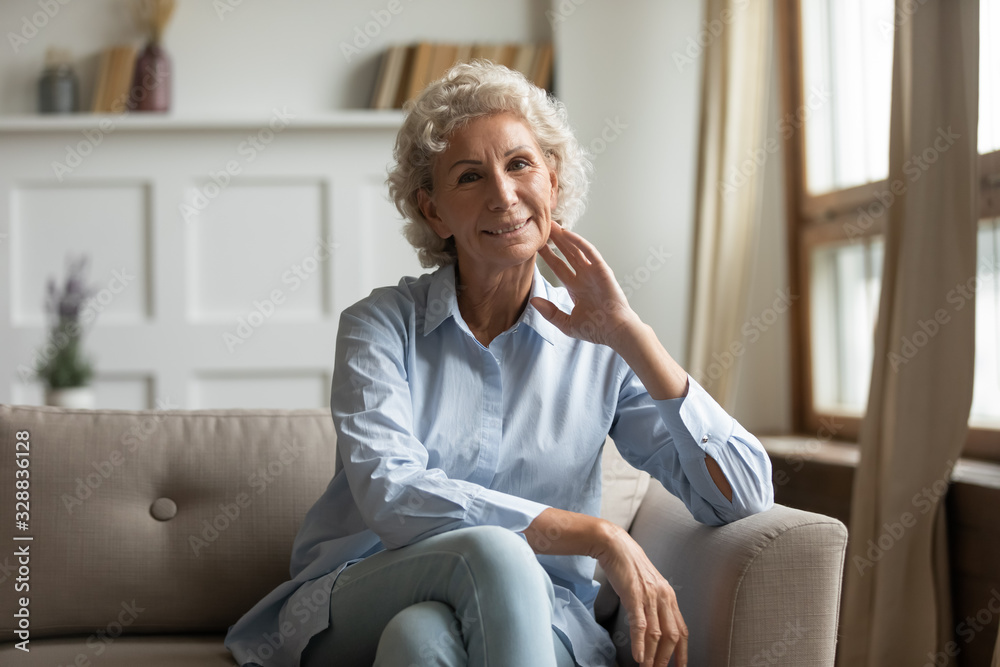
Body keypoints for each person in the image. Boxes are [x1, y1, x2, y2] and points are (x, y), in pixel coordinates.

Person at [224, 61, 774, 667]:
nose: (504, 196)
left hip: (540, 617)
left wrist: (631, 336)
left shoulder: (602, 343)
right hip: (363, 593)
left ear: (553, 182)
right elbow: (394, 493)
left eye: (519, 165)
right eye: (469, 177)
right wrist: (596, 534)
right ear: (433, 212)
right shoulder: (378, 326)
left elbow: (741, 497)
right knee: (495, 553)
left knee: (421, 642)